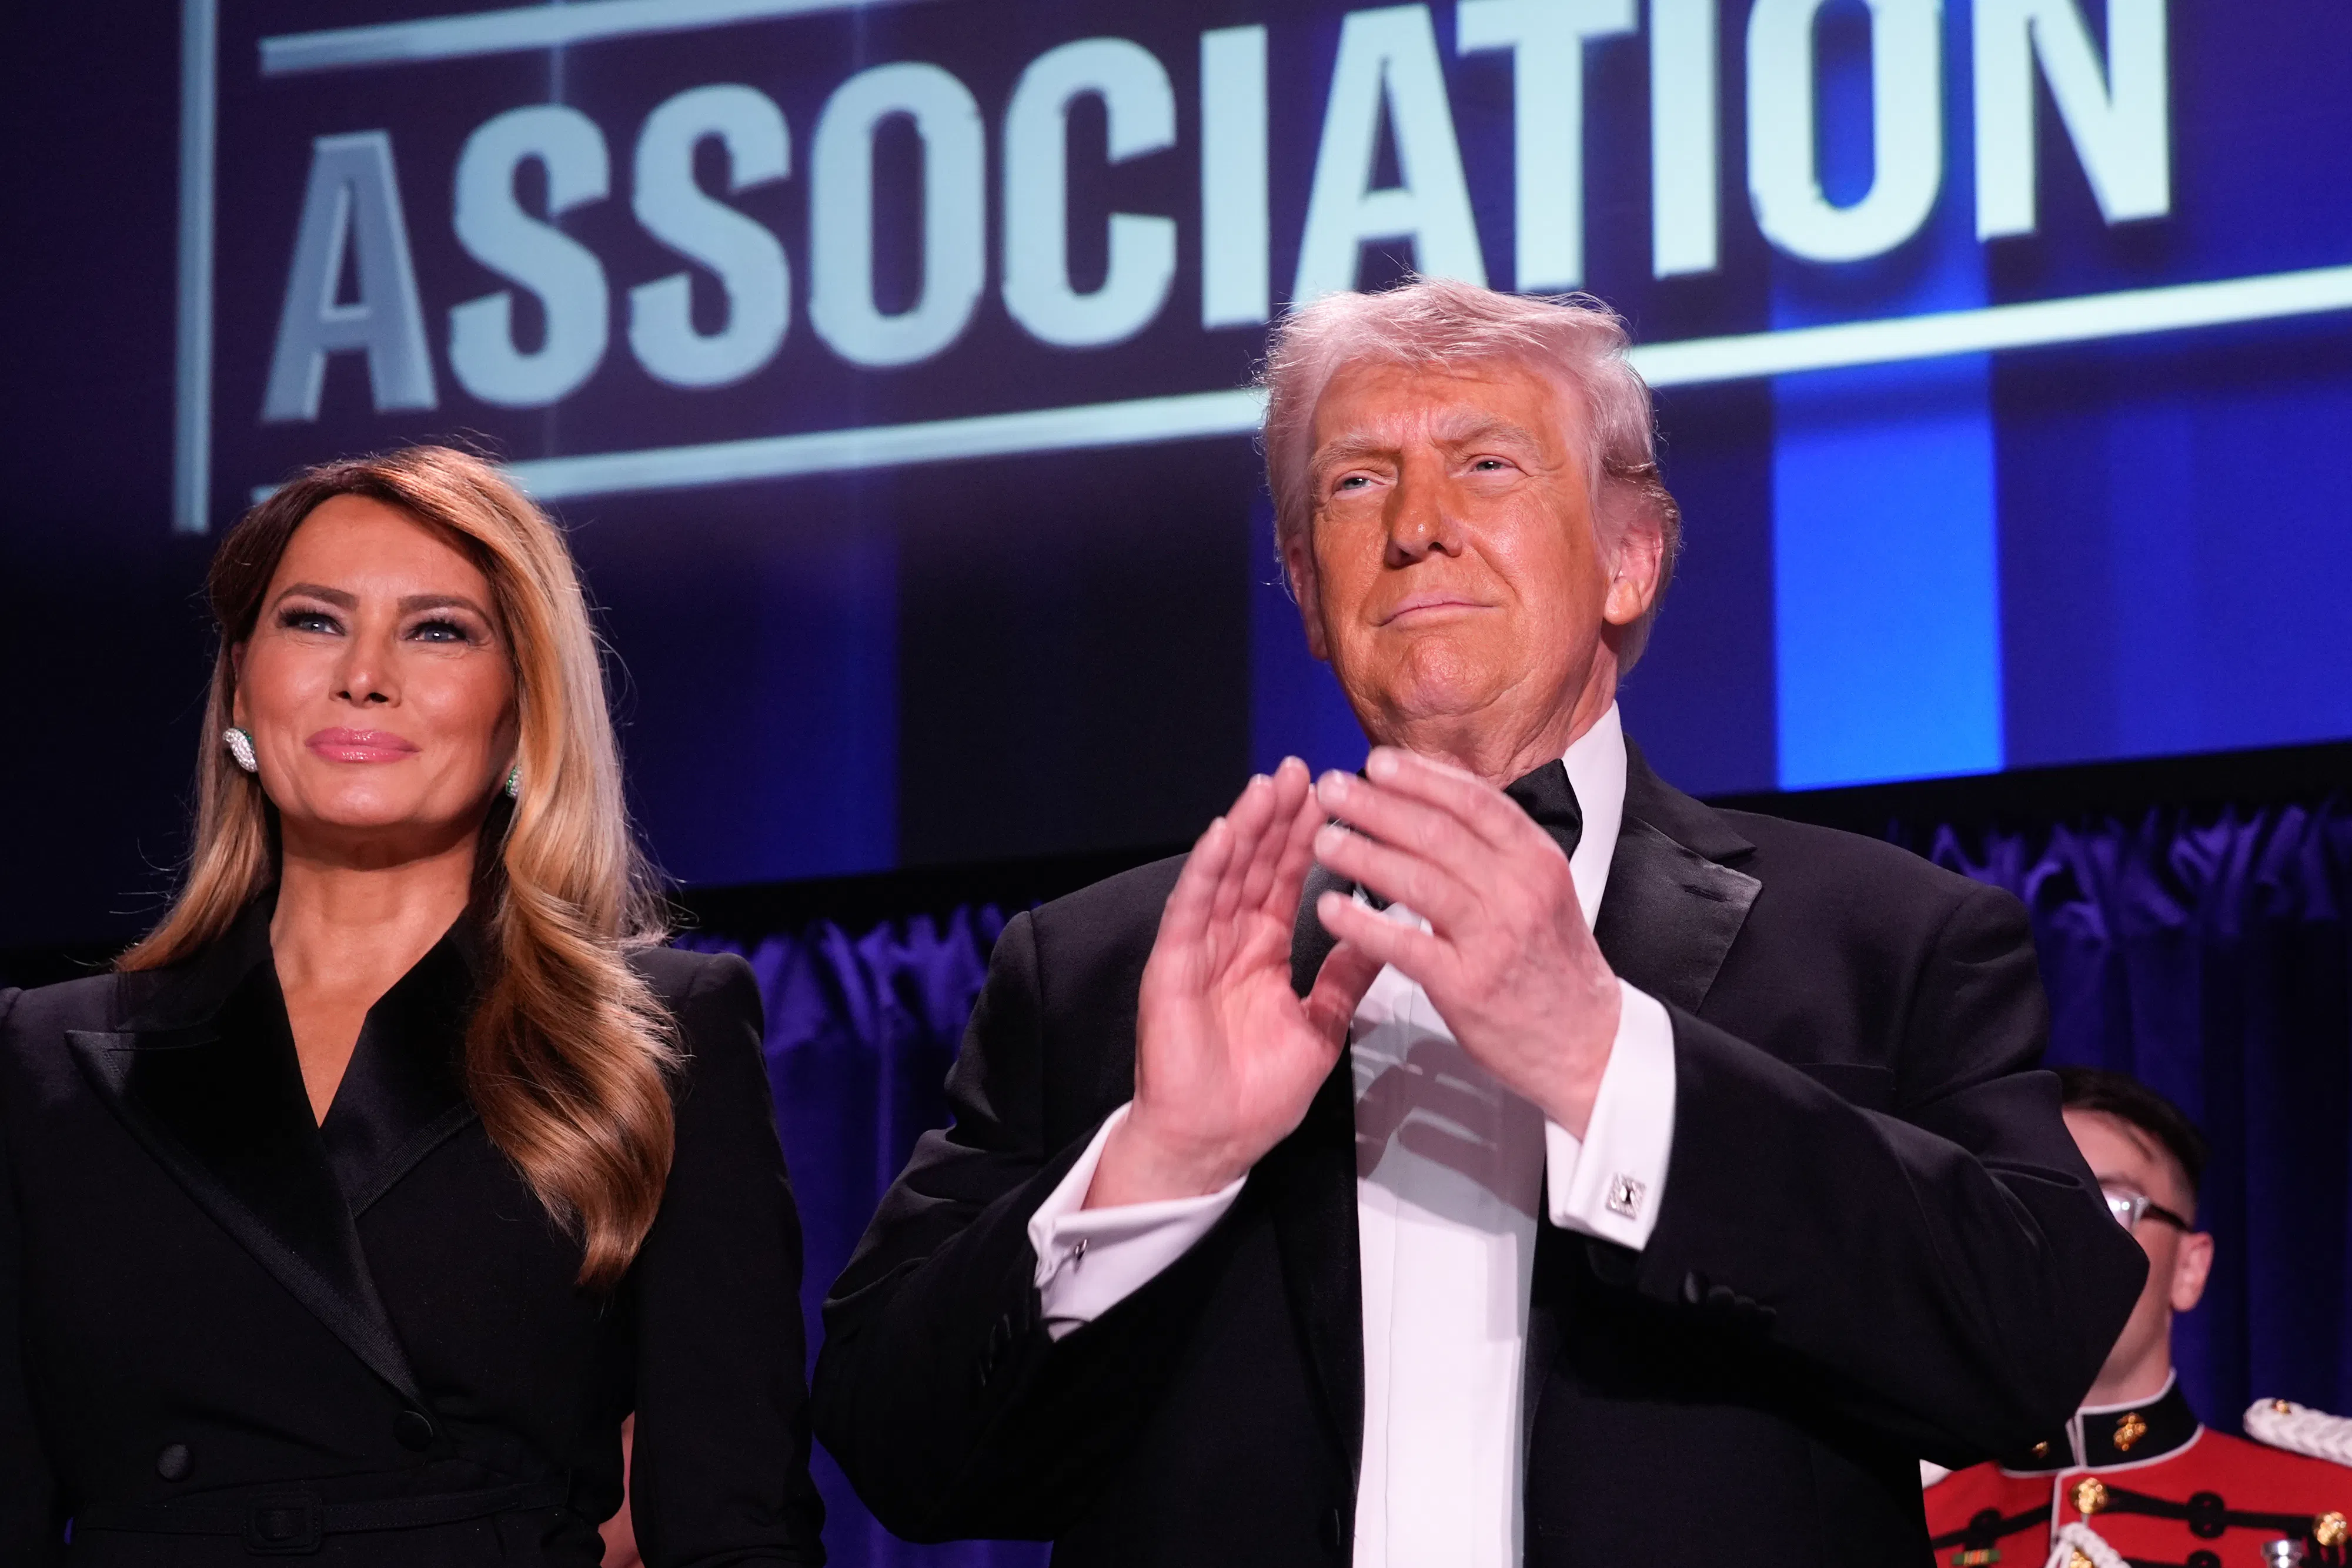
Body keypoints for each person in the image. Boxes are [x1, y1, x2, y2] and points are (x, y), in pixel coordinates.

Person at [810, 279, 2146, 1567]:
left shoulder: (1889, 941)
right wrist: (1162, 1160)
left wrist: (1604, 1061)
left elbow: (2031, 1351)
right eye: (1354, 480)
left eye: (1489, 465)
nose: (1416, 526)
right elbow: (891, 1445)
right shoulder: (1101, 968)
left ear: (1630, 559)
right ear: (1302, 579)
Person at [0, 448, 824, 1564]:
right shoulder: (45, 1057)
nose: (365, 674)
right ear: (242, 685)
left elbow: (735, 1522)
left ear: (524, 707)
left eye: (438, 629)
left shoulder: (660, 1038)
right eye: (314, 622)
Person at [1925, 1067, 2351, 1567]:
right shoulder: (1909, 1524)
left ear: (2189, 1268)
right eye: (2021, 1207)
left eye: (2110, 1204)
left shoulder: (2330, 1506)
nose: (2062, 1241)